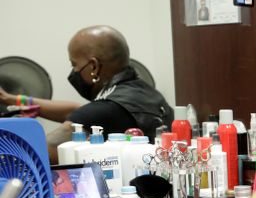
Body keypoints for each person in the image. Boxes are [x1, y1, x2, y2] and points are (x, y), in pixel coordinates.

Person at [0, 25, 173, 163]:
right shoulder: (144, 94)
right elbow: (77, 110)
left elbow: (39, 151)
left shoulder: (105, 110)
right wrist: (13, 99)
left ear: (93, 67)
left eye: (74, 64)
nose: (74, 71)